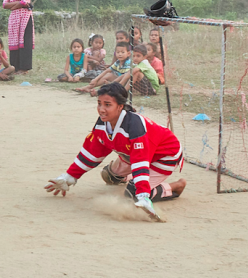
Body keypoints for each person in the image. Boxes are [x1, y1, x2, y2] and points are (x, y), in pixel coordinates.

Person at [44, 82, 186, 222]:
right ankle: (133, 180)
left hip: (164, 157)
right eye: (99, 103)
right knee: (109, 177)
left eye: (107, 105)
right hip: (133, 154)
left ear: (120, 106)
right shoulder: (102, 123)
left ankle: (175, 187)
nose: (101, 109)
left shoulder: (135, 126)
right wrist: (69, 177)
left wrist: (143, 194)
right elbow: (92, 153)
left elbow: (140, 161)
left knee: (133, 196)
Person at [3, 0, 34, 73]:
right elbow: (4, 4)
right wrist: (17, 5)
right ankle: (15, 67)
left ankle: (24, 68)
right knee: (14, 42)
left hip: (25, 18)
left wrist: (13, 6)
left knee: (25, 41)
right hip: (14, 19)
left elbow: (24, 1)